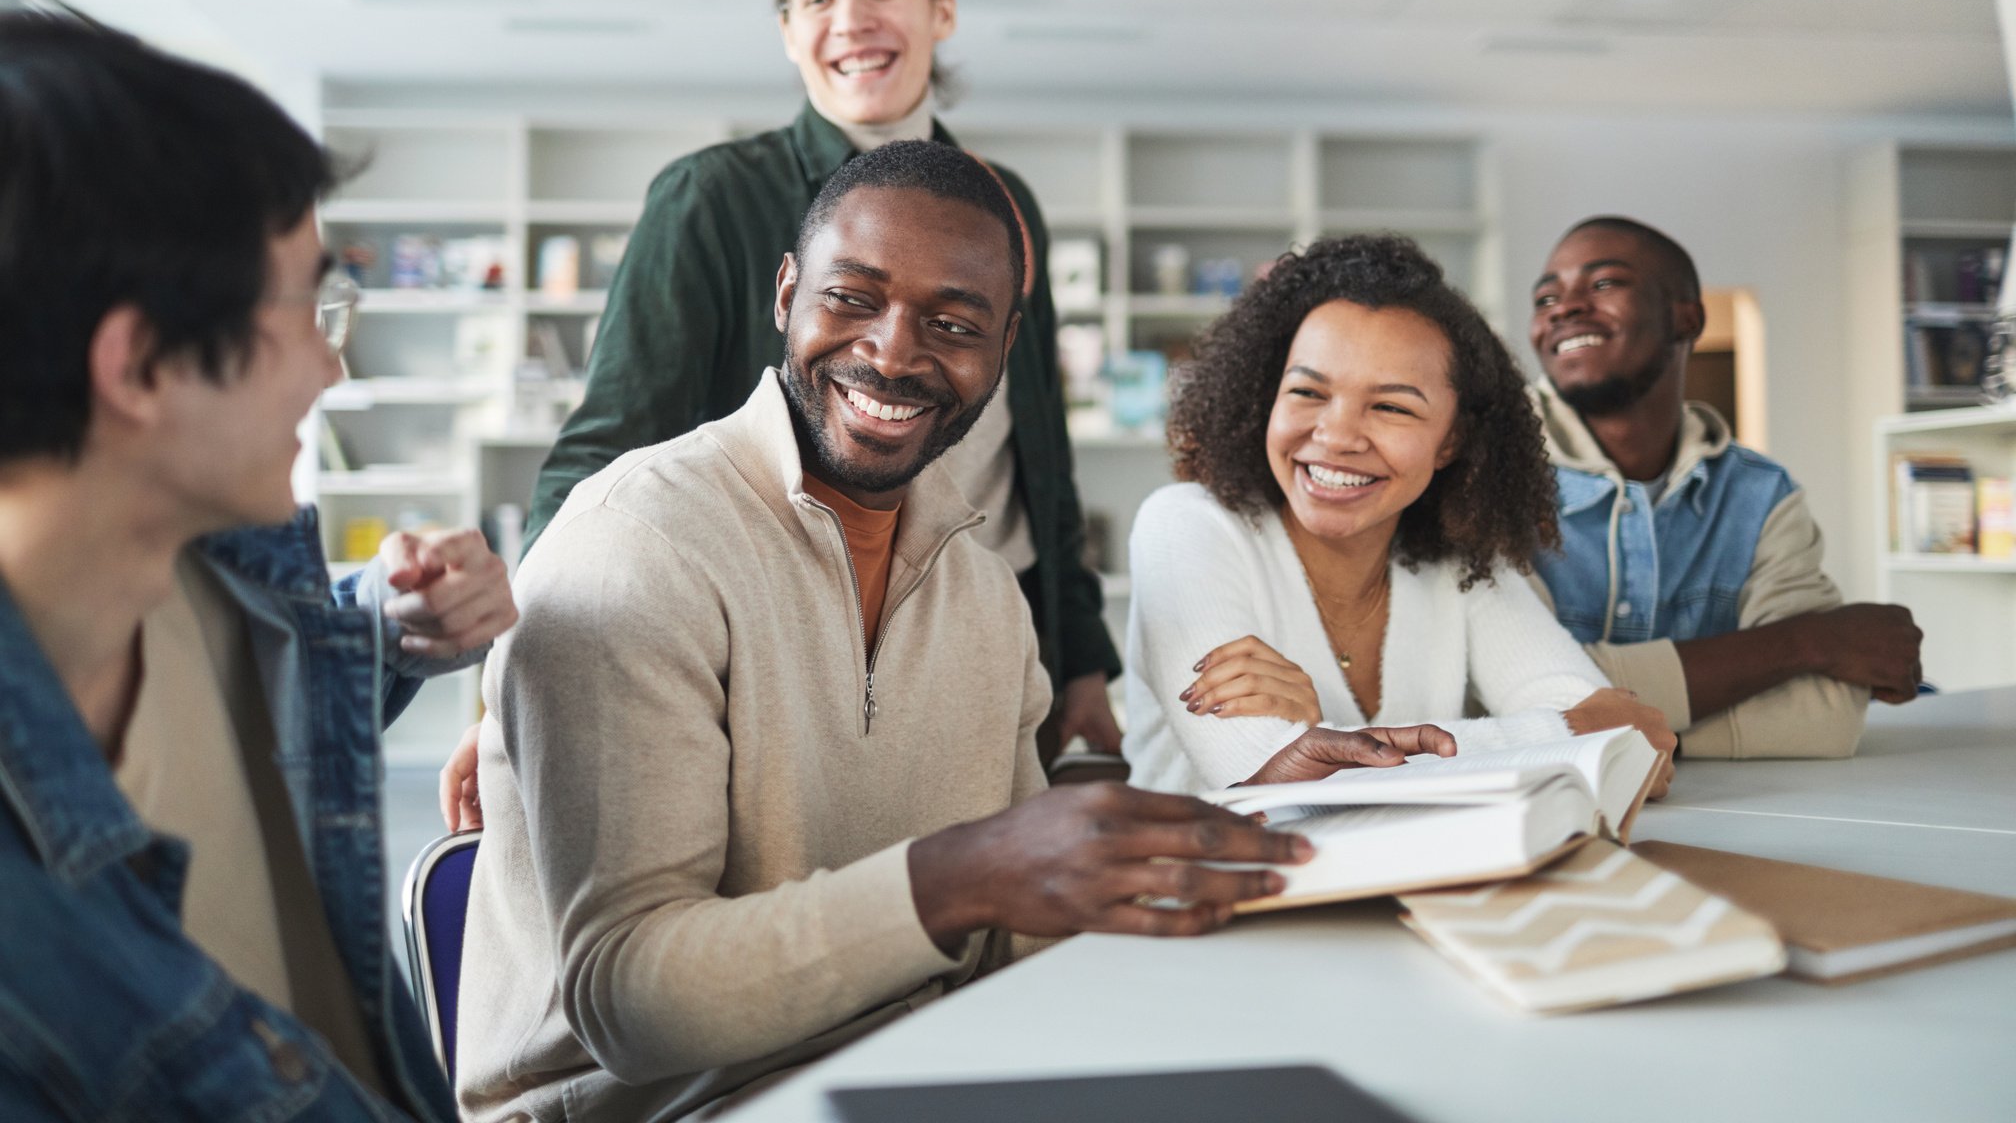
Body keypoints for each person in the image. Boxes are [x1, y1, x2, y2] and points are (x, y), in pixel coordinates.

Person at [457, 142, 1451, 1122]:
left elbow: (1006, 936)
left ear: (1004, 351)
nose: (893, 351)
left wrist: (1245, 819)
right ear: (786, 294)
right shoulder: (634, 545)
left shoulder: (980, 593)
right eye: (852, 298)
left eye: (952, 321)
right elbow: (631, 1003)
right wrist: (959, 877)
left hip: (923, 1067)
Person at [0, 16, 517, 1120]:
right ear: (139, 364)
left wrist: (388, 630)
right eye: (306, 310)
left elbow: (258, 684)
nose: (332, 364)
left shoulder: (213, 566)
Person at [520, 0, 1121, 757]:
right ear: (788, 30)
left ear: (941, 8)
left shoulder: (1006, 201)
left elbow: (1043, 456)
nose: (852, 18)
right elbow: (607, 447)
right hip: (788, 633)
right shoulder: (710, 199)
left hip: (1002, 624)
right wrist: (521, 668)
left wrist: (1083, 664)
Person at [1123, 235, 1676, 796]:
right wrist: (1564, 734)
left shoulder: (1457, 560)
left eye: (1390, 406)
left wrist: (1325, 744)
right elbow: (1270, 784)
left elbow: (1631, 755)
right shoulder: (1185, 526)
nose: (1336, 436)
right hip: (1195, 882)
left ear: (1451, 440)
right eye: (1308, 392)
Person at [1528, 215, 1923, 758]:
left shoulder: (1763, 498)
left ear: (1685, 318)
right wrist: (1809, 642)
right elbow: (1503, 697)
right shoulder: (1487, 481)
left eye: (1603, 284)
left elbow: (1827, 717)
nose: (1565, 308)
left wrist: (1601, 735)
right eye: (1546, 299)